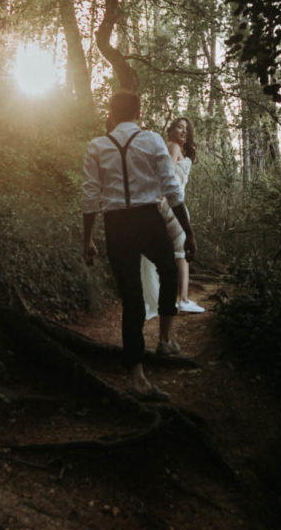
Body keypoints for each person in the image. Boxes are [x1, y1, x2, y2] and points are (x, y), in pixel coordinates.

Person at [82, 90, 197, 401]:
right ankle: (165, 339)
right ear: (138, 112)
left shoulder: (97, 145)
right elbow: (172, 191)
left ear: (111, 112)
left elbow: (91, 196)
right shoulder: (151, 141)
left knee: (132, 299)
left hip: (116, 224)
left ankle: (136, 376)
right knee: (170, 270)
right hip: (148, 221)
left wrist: (88, 239)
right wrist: (188, 233)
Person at [142, 116, 204, 318]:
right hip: (172, 204)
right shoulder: (173, 148)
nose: (184, 132)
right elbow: (166, 174)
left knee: (178, 251)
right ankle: (183, 300)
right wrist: (160, 196)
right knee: (182, 251)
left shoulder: (177, 149)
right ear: (171, 130)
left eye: (186, 129)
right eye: (179, 127)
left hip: (171, 203)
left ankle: (173, 298)